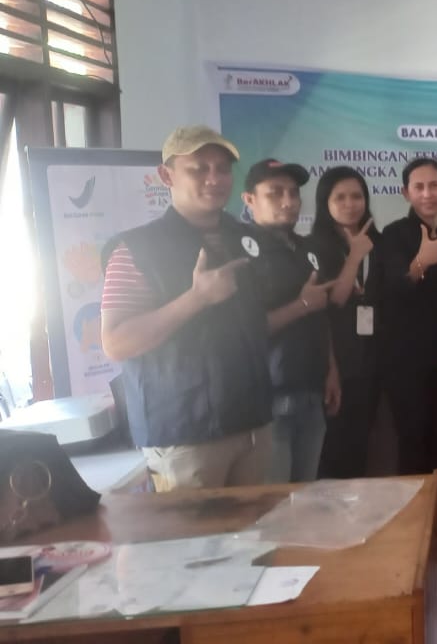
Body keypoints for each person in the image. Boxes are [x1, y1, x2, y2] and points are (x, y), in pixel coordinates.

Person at [100, 126, 272, 491]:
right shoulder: (136, 248)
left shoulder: (247, 238)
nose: (214, 178)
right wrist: (197, 298)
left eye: (222, 169)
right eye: (199, 168)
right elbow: (116, 342)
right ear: (167, 176)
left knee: (257, 528)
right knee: (193, 531)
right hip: (184, 434)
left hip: (251, 423)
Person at [379, 157, 437, 548]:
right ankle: (417, 525)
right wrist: (421, 262)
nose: (427, 194)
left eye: (434, 185)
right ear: (406, 193)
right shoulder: (393, 235)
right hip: (407, 359)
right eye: (418, 187)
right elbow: (389, 292)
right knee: (412, 439)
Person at [240, 158, 340, 484]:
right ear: (249, 199)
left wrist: (332, 370)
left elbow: (321, 314)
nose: (288, 201)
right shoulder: (240, 251)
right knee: (276, 502)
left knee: (305, 495)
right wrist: (302, 305)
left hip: (312, 391)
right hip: (268, 399)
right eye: (275, 193)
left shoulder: (307, 248)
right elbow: (244, 331)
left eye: (294, 193)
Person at [310, 166, 380, 479]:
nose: (350, 204)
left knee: (360, 446)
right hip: (336, 359)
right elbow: (335, 300)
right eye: (340, 197)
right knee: (334, 448)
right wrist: (354, 258)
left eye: (356, 196)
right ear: (325, 202)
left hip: (371, 359)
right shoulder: (316, 247)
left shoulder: (378, 241)